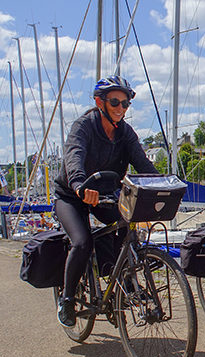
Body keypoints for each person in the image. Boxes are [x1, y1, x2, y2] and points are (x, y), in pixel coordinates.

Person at [53, 76, 158, 327]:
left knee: (126, 229)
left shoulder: (125, 133)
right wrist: (79, 185)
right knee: (82, 241)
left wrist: (164, 184)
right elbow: (74, 156)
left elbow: (142, 164)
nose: (121, 108)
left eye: (125, 104)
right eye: (115, 102)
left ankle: (121, 283)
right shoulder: (84, 126)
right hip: (73, 194)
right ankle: (67, 299)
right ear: (100, 102)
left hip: (106, 195)